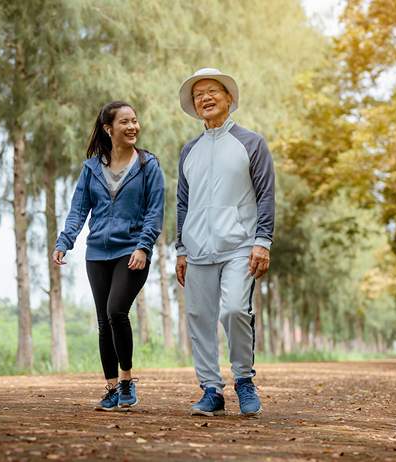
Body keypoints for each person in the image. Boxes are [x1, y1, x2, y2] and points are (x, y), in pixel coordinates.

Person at [175, 68, 275, 417]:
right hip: (197, 247)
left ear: (229, 98)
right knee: (199, 317)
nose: (205, 97)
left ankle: (244, 380)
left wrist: (263, 240)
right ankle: (210, 390)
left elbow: (265, 195)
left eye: (212, 91)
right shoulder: (189, 150)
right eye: (198, 93)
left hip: (240, 244)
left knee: (234, 309)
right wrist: (181, 248)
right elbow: (182, 203)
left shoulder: (251, 143)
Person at [52, 101, 164, 411]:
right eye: (125, 121)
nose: (132, 127)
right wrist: (65, 241)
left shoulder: (147, 165)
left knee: (117, 311)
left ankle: (127, 381)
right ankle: (112, 388)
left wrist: (144, 246)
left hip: (131, 251)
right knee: (104, 322)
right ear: (108, 128)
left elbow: (155, 211)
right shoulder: (91, 169)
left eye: (135, 120)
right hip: (97, 252)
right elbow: (78, 209)